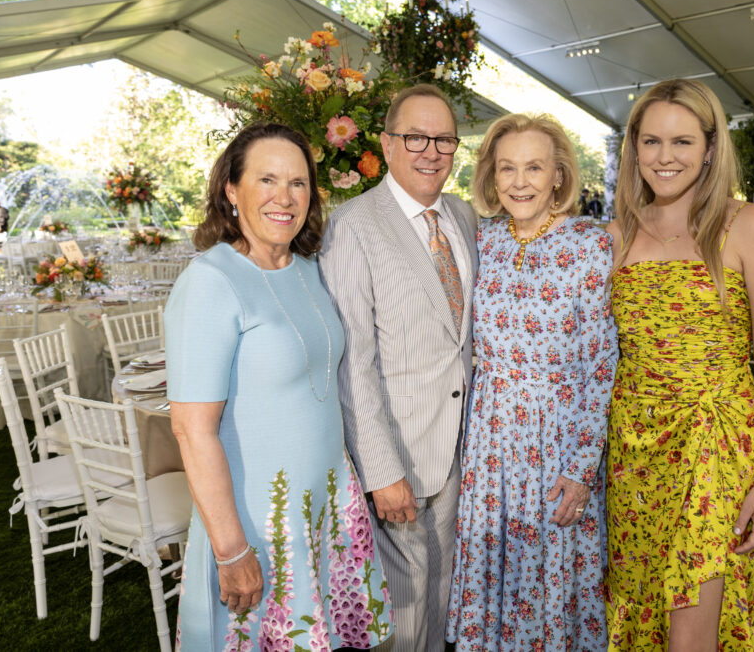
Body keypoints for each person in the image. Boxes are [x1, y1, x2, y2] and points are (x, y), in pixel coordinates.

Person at [166, 122, 391, 650]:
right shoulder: (210, 281)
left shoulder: (309, 268)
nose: (284, 198)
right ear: (230, 189)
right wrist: (231, 550)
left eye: (298, 183)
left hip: (324, 513)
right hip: (259, 526)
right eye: (266, 180)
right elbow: (191, 430)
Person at [604, 79, 754, 650]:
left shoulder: (752, 227)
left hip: (714, 442)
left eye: (683, 142)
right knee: (635, 605)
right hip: (633, 449)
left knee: (695, 619)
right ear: (633, 149)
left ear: (711, 148)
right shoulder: (613, 237)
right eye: (652, 141)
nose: (666, 158)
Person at [446, 113, 618, 650]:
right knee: (493, 579)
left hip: (558, 443)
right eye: (507, 168)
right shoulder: (483, 241)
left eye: (534, 167)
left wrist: (581, 468)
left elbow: (600, 365)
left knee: (552, 583)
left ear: (559, 176)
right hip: (491, 443)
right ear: (491, 177)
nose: (520, 181)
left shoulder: (590, 246)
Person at [319, 83, 478, 652]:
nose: (431, 151)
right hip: (399, 457)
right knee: (404, 607)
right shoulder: (352, 225)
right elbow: (351, 362)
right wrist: (382, 471)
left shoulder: (463, 216)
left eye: (443, 139)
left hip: (463, 450)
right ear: (387, 144)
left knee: (443, 596)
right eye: (415, 137)